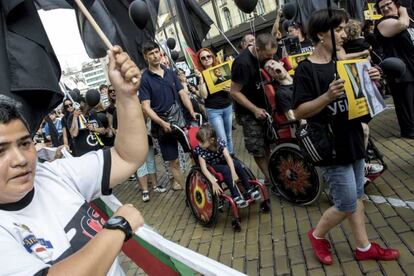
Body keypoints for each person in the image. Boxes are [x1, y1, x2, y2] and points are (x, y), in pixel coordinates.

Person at [0, 46, 146, 275]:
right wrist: (118, 228)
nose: (20, 159)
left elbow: (127, 157)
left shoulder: (56, 175)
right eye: (1, 151)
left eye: (24, 143)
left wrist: (127, 96)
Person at [293, 9, 400, 265]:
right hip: (330, 145)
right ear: (321, 34)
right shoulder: (306, 70)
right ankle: (317, 234)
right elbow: (299, 111)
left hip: (353, 137)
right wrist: (327, 97)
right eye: (338, 30)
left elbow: (363, 102)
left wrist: (372, 81)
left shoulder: (343, 64)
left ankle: (363, 247)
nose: (343, 35)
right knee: (346, 202)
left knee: (357, 196)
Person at [139, 41, 196, 191]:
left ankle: (200, 182)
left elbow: (182, 93)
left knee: (194, 153)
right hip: (162, 128)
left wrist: (191, 111)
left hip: (180, 121)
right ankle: (188, 191)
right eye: (151, 53)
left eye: (157, 52)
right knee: (174, 162)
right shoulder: (144, 79)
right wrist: (162, 123)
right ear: (146, 57)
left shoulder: (170, 72)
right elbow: (146, 106)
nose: (155, 55)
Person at [230, 33, 278, 184]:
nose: (271, 59)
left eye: (273, 55)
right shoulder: (242, 63)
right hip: (248, 113)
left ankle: (277, 174)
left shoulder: (269, 56)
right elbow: (234, 92)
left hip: (267, 108)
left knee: (272, 143)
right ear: (257, 49)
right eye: (268, 55)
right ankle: (270, 179)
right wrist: (254, 109)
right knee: (258, 148)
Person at [195, 124, 260, 208]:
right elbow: (203, 168)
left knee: (236, 163)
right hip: (213, 166)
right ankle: (236, 196)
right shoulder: (201, 150)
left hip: (223, 161)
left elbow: (228, 157)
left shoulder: (219, 143)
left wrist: (233, 173)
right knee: (225, 169)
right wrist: (213, 183)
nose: (199, 144)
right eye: (198, 141)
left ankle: (249, 189)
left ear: (212, 140)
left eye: (201, 142)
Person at [374, 0, 414, 139]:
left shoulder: (409, 20)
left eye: (388, 4)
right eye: (381, 7)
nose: (385, 8)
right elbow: (402, 24)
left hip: (412, 66)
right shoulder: (382, 22)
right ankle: (410, 131)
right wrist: (403, 9)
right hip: (401, 72)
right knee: (407, 105)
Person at [197, 48, 234, 154]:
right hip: (213, 110)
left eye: (208, 56)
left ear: (212, 57)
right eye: (203, 58)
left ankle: (231, 158)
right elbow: (204, 95)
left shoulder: (222, 69)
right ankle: (226, 160)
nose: (206, 59)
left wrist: (230, 88)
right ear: (200, 61)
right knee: (222, 138)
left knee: (229, 136)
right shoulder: (200, 75)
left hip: (227, 106)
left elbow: (232, 86)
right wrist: (200, 79)